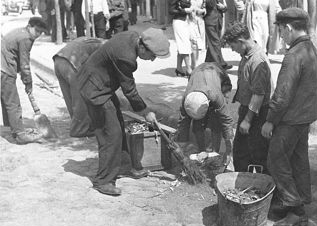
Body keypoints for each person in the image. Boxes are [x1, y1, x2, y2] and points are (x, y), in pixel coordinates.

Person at [77, 28, 170, 196]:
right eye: (153, 55)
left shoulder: (133, 36)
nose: (152, 59)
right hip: (95, 90)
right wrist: (144, 111)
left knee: (119, 125)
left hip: (101, 84)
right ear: (143, 47)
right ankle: (103, 181)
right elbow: (129, 90)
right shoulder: (126, 58)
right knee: (111, 135)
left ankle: (128, 167)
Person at [261, 8, 317, 226]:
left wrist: (270, 121)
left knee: (275, 160)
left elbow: (282, 94)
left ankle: (294, 207)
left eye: (280, 30)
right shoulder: (311, 49)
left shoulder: (294, 55)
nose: (281, 35)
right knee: (298, 161)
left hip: (291, 119)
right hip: (305, 116)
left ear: (287, 28)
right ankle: (300, 204)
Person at [223, 22, 272, 173]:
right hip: (248, 110)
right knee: (241, 153)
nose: (232, 50)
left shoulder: (257, 60)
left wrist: (247, 120)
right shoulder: (246, 55)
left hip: (257, 114)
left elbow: (259, 95)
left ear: (241, 41)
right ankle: (245, 185)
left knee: (257, 154)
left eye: (233, 46)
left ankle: (261, 189)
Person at [1, 17, 48, 144]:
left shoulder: (21, 32)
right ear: (29, 26)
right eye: (37, 31)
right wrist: (28, 82)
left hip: (3, 65)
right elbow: (24, 63)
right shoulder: (26, 38)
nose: (38, 35)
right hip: (4, 68)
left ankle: (10, 127)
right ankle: (20, 135)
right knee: (13, 102)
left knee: (7, 98)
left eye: (41, 32)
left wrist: (25, 79)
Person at [176, 62, 234, 164]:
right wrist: (182, 151)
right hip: (197, 74)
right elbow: (183, 124)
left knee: (217, 120)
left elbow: (226, 121)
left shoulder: (216, 96)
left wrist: (229, 151)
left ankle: (214, 154)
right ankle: (201, 152)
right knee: (198, 124)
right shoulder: (186, 99)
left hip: (220, 77)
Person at [53, 37, 104, 138]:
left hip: (58, 60)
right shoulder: (106, 48)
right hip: (71, 63)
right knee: (80, 97)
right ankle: (79, 130)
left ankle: (77, 124)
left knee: (69, 97)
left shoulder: (97, 42)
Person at [204, 0, 232, 70]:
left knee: (213, 43)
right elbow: (208, 4)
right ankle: (221, 64)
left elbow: (225, 8)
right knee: (216, 42)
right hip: (210, 21)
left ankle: (208, 63)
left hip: (218, 21)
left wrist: (223, 7)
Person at [169, 0, 193, 77]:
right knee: (185, 44)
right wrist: (184, 11)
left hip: (187, 21)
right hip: (179, 22)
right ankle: (189, 69)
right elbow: (171, 10)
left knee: (182, 45)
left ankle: (179, 68)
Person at [189, 0, 206, 70]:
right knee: (193, 42)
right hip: (190, 21)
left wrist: (203, 11)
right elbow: (186, 7)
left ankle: (197, 63)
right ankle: (194, 64)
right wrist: (195, 10)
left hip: (200, 21)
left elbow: (205, 9)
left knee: (200, 43)